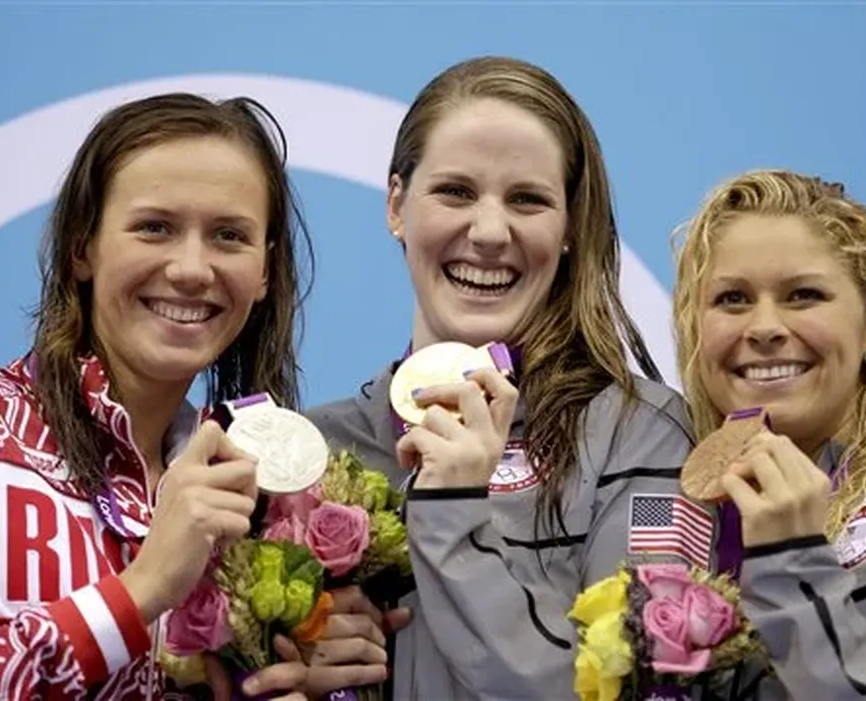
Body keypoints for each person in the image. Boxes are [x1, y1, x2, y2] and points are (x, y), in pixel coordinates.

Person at [246, 56, 706, 701]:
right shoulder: (315, 450)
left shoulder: (643, 436)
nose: (490, 232)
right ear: (397, 206)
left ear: (571, 227)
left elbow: (633, 688)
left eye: (527, 199)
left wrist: (452, 513)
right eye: (456, 192)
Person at [0, 92, 365, 700]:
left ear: (264, 271)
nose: (191, 269)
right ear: (83, 247)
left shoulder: (264, 494)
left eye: (228, 236)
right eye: (154, 227)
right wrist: (142, 591)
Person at [671, 169, 866, 700]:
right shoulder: (661, 504)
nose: (763, 326)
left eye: (803, 295)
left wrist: (794, 561)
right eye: (733, 299)